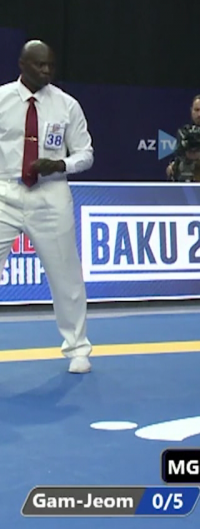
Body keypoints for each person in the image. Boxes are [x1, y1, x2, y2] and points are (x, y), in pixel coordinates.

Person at [0, 41, 93, 373]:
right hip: (5, 192)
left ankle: (78, 347)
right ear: (22, 64)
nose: (47, 70)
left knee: (66, 275)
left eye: (51, 65)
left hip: (50, 194)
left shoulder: (67, 105)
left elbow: (86, 154)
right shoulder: (2, 99)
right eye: (40, 65)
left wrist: (60, 165)